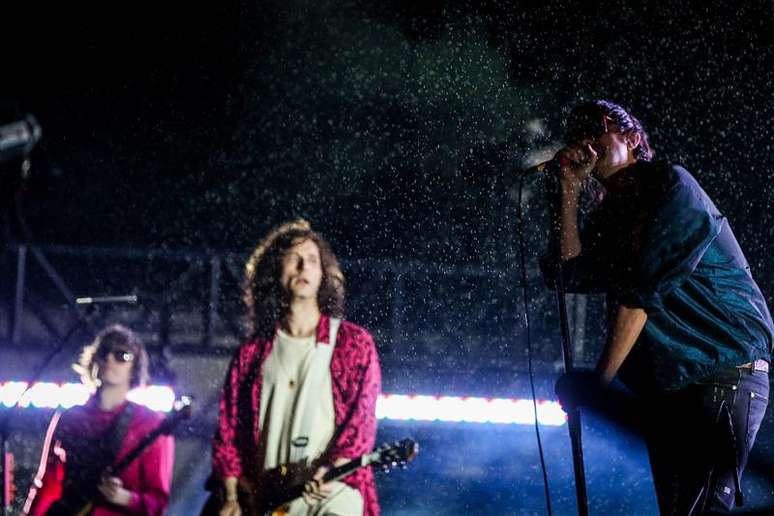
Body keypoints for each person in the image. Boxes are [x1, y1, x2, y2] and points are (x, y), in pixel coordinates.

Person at [544, 99, 772, 514]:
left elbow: (641, 295)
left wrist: (597, 386)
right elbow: (569, 274)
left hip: (721, 370)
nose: (585, 138)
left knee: (699, 509)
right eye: (577, 130)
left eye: (597, 127)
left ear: (632, 138)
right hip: (668, 387)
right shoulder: (611, 216)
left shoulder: (672, 186)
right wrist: (570, 190)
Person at [208, 219, 381, 516]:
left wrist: (331, 469)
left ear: (323, 274)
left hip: (330, 493)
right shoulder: (252, 353)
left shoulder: (353, 344)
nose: (303, 267)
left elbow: (360, 425)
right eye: (294, 259)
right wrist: (232, 496)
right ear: (276, 270)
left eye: (312, 260)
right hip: (267, 499)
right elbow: (228, 432)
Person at [24, 324, 175, 516]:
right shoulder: (69, 418)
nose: (110, 359)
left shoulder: (151, 423)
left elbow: (158, 503)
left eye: (122, 355)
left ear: (134, 367)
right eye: (104, 352)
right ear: (94, 359)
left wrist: (125, 498)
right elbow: (46, 484)